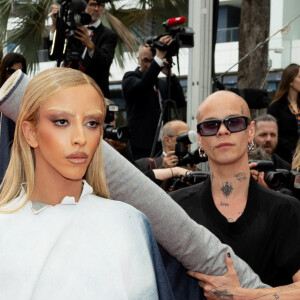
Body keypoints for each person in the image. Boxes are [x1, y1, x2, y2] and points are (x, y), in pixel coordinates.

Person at [0, 69, 269, 291]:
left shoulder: (128, 223)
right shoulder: (8, 229)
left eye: (92, 123)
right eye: (61, 121)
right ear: (30, 132)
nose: (80, 137)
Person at [169, 90, 300, 297]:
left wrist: (242, 295)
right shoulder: (176, 208)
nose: (222, 131)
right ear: (200, 139)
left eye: (234, 122)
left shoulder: (285, 210)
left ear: (250, 132)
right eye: (211, 126)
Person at [122, 38, 186, 159]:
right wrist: (158, 59)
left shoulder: (161, 84)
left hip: (161, 146)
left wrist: (170, 75)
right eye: (146, 60)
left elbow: (180, 101)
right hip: (140, 147)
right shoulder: (129, 78)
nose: (149, 65)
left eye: (153, 61)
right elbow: (144, 85)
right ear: (138, 59)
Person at [50, 0, 117, 97]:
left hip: (94, 94)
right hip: (67, 92)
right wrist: (55, 25)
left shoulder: (109, 35)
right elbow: (54, 54)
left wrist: (90, 45)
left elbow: (105, 62)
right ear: (85, 6)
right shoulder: (69, 28)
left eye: (100, 5)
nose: (96, 8)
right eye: (93, 4)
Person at [0, 52, 27, 183]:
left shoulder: (26, 97)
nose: (14, 76)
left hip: (17, 155)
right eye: (11, 71)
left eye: (19, 72)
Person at [267, 63, 300, 164]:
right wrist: (294, 149)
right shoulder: (275, 107)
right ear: (290, 80)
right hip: (285, 160)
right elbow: (274, 135)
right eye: (299, 77)